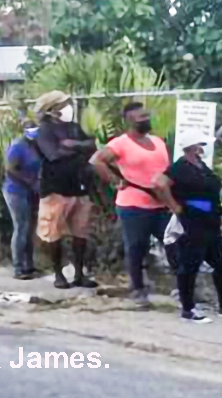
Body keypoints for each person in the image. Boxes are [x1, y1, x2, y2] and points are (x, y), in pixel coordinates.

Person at [154, 131, 222, 322]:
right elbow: (159, 184)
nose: (203, 148)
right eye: (200, 144)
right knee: (190, 263)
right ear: (191, 146)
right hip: (193, 220)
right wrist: (175, 206)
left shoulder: (201, 167)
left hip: (210, 220)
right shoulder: (180, 167)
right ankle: (188, 309)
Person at [93, 102, 174, 308]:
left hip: (161, 204)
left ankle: (182, 286)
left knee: (175, 243)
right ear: (129, 121)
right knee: (136, 247)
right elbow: (97, 161)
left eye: (146, 115)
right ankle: (137, 289)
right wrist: (116, 180)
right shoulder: (121, 143)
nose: (145, 119)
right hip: (133, 205)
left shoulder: (158, 141)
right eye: (140, 117)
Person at [34, 91, 98, 289]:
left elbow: (92, 145)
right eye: (64, 104)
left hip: (78, 187)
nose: (68, 107)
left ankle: (79, 274)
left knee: (80, 232)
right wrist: (77, 148)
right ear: (52, 110)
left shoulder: (73, 128)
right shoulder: (44, 130)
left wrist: (73, 145)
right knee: (54, 233)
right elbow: (53, 154)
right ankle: (58, 274)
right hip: (55, 188)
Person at [4, 121, 42, 279]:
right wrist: (29, 182)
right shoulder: (18, 146)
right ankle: (18, 267)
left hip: (31, 192)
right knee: (21, 227)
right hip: (15, 191)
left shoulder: (36, 146)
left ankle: (29, 265)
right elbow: (10, 169)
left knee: (29, 228)